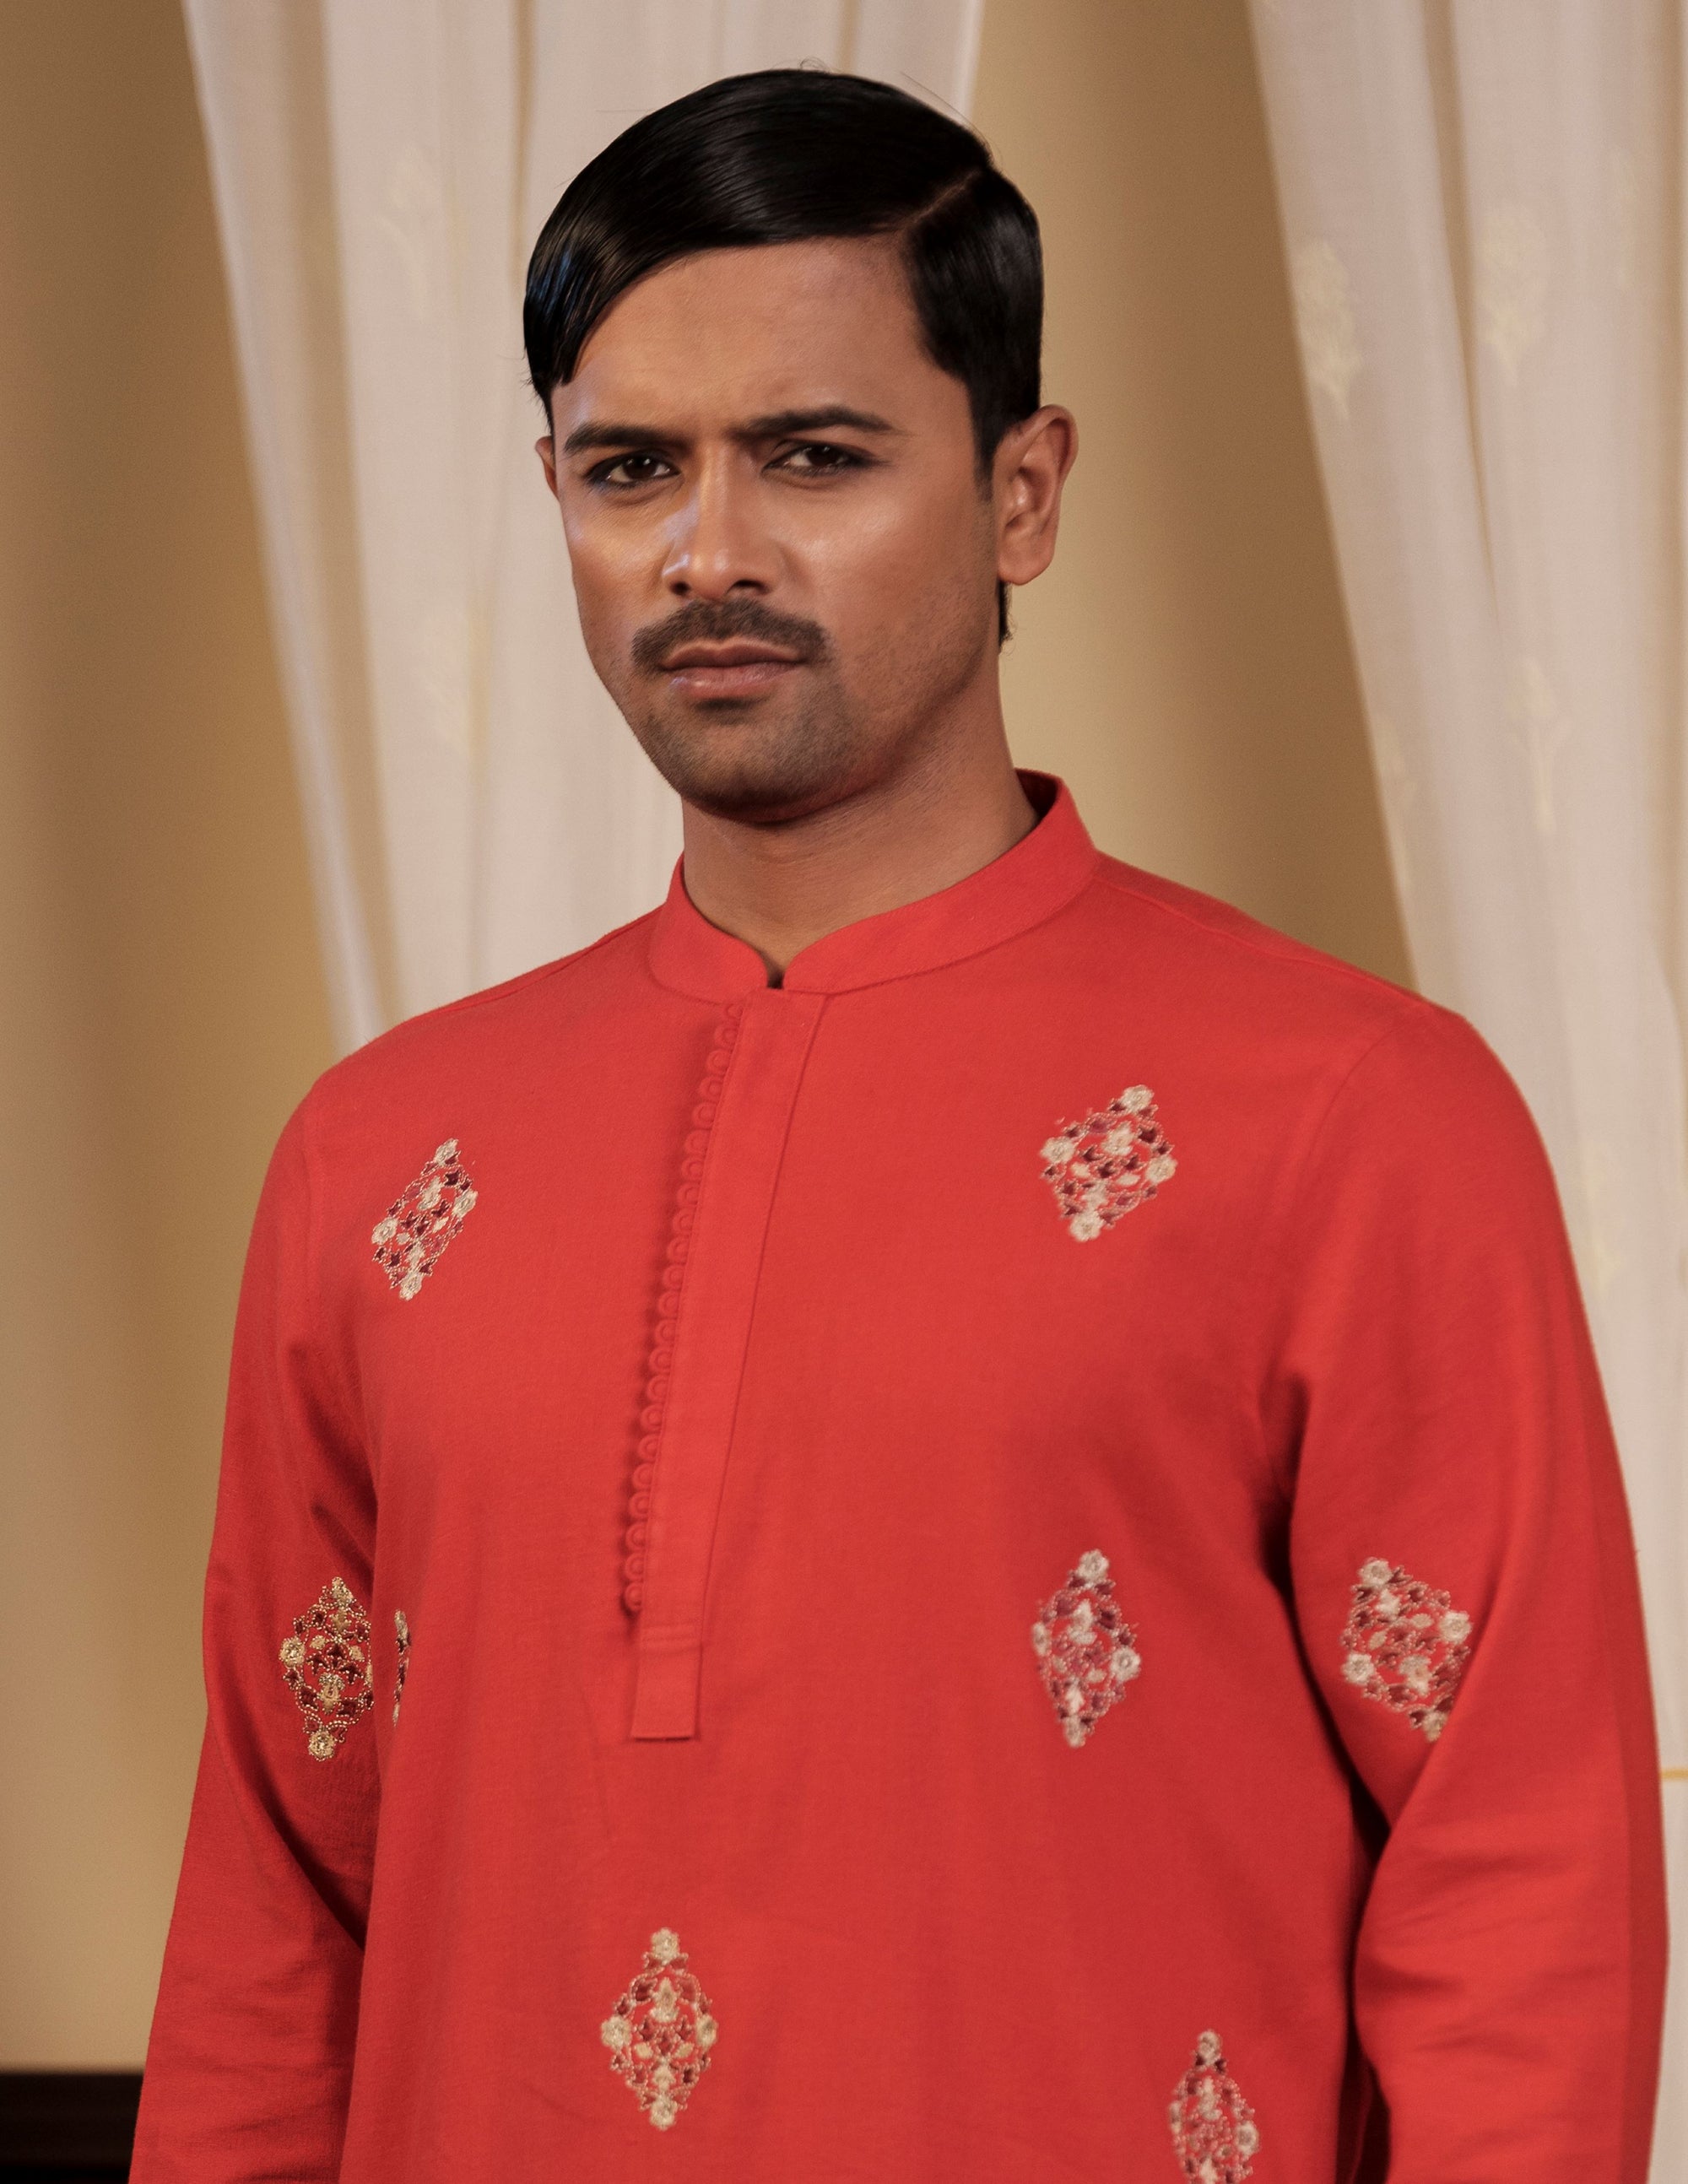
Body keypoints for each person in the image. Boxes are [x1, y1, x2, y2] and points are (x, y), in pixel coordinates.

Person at [131, 68, 1665, 2183]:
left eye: (815, 456)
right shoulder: (380, 1157)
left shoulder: (1351, 1115)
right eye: (629, 468)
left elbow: (1523, 1899)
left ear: (1023, 493)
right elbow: (274, 1916)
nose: (709, 552)